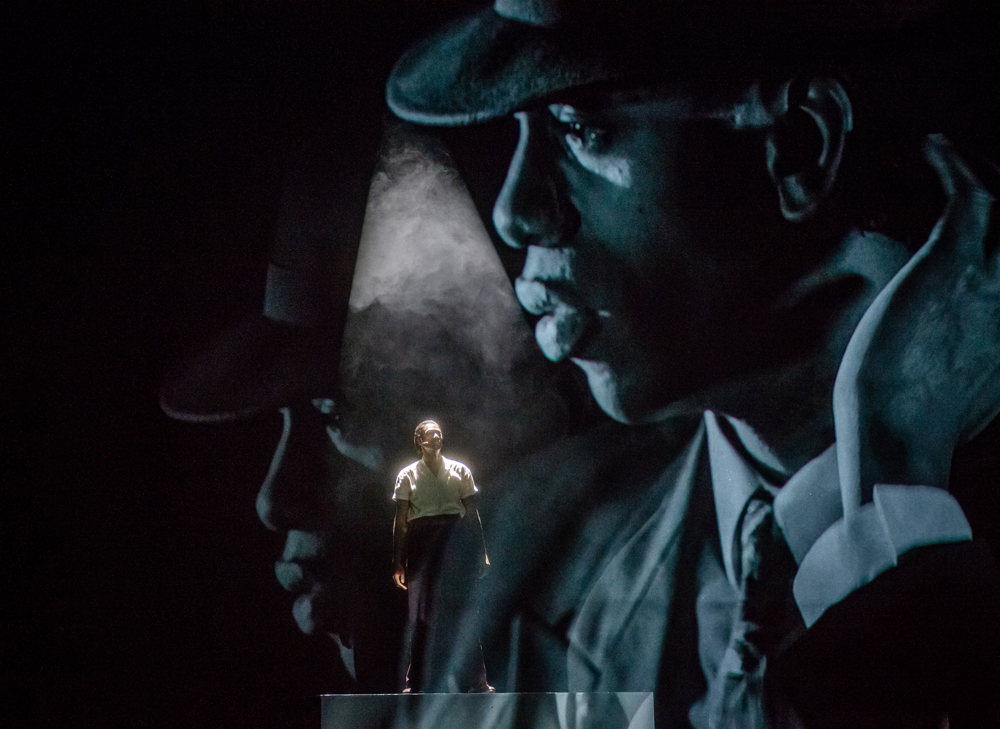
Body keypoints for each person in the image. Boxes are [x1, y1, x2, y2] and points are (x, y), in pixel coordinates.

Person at [385, 0, 1000, 725]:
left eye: (581, 128)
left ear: (801, 147)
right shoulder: (510, 553)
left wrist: (892, 495)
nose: (516, 210)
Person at [392, 419, 494, 693]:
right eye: (431, 434)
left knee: (464, 608)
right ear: (420, 441)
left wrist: (481, 552)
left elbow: (472, 514)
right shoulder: (407, 475)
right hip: (422, 540)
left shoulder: (460, 470)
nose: (437, 438)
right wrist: (398, 560)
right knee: (421, 612)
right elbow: (401, 521)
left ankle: (476, 680)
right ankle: (418, 682)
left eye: (439, 434)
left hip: (454, 539)